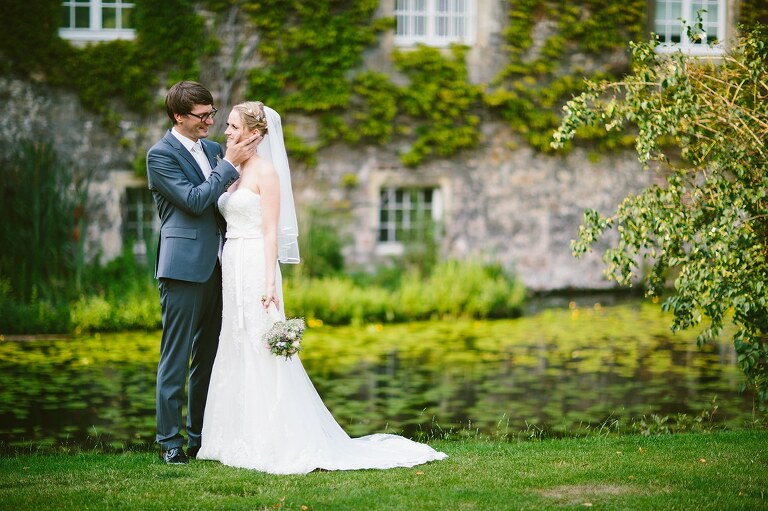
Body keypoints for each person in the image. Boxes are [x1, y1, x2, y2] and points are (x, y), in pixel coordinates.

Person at [197, 101, 447, 474]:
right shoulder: (230, 169)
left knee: (260, 341)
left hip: (254, 264)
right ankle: (230, 436)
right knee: (233, 340)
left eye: (233, 126)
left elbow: (269, 230)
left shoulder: (266, 173)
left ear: (254, 133)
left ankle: (274, 437)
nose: (226, 132)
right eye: (228, 126)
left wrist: (270, 279)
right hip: (230, 260)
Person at [146, 81, 262, 465]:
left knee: (209, 358)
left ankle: (200, 437)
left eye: (213, 113)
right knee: (175, 359)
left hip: (221, 267)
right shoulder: (159, 156)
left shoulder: (214, 150)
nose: (210, 122)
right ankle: (169, 443)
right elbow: (195, 202)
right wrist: (228, 165)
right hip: (182, 269)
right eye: (202, 116)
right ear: (179, 116)